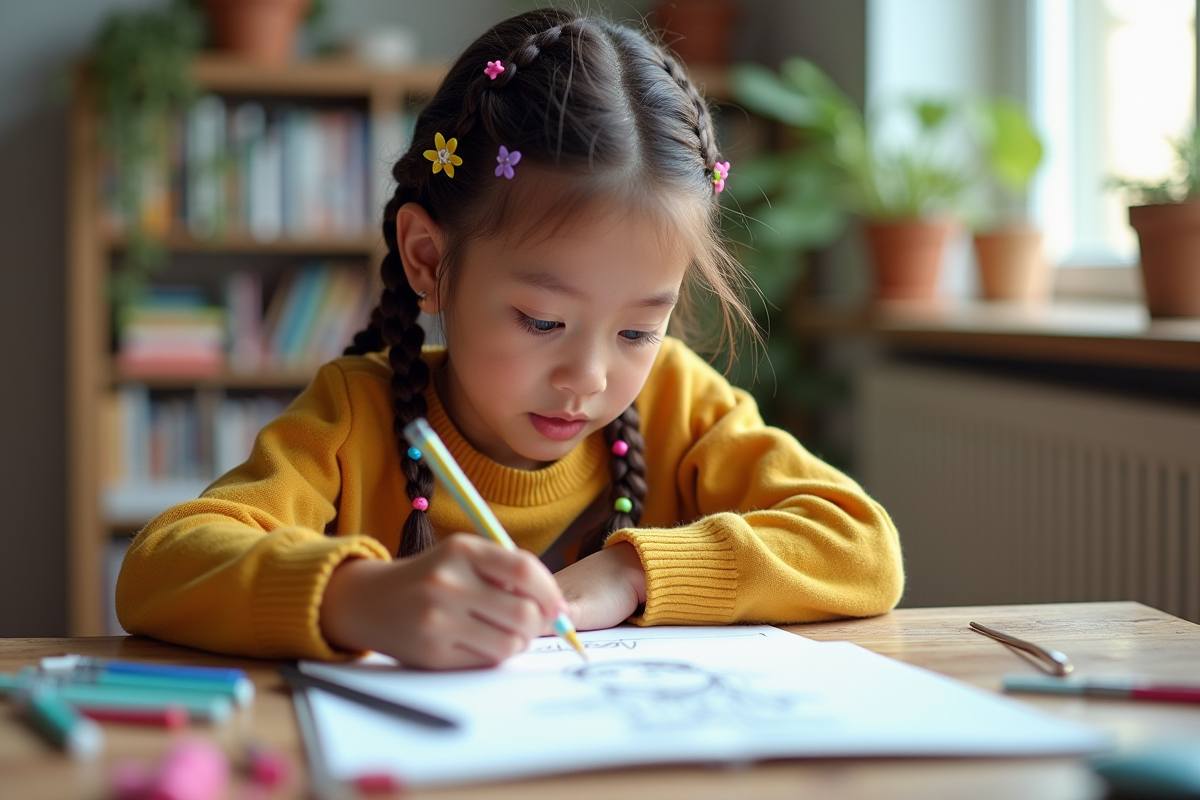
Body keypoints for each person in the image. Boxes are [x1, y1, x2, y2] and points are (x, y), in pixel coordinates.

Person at [116, 8, 904, 669]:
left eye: (638, 328)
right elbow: (161, 567)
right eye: (541, 322)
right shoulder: (353, 417)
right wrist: (355, 598)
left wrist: (632, 572)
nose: (588, 377)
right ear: (430, 259)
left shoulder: (680, 401)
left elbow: (862, 545)